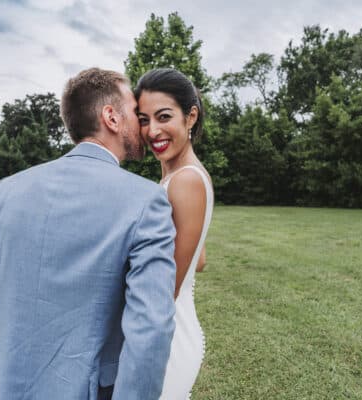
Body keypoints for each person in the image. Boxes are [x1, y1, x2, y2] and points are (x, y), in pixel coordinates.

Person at [0, 68, 177, 400]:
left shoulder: (5, 191)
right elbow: (151, 329)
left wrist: (24, 326)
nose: (142, 126)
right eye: (134, 112)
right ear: (111, 117)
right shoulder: (146, 201)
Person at [135, 68, 214, 400]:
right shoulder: (177, 178)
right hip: (170, 332)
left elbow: (164, 290)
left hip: (166, 342)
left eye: (164, 116)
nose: (152, 130)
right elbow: (200, 260)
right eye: (143, 119)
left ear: (190, 116)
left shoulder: (185, 181)